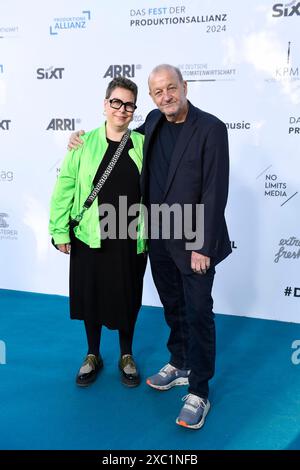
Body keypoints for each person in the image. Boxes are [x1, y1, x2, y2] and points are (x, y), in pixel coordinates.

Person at [68, 64, 231, 429]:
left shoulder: (211, 128)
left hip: (194, 241)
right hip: (159, 238)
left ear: (184, 86)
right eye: (157, 92)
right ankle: (180, 362)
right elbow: (118, 136)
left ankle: (199, 391)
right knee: (173, 305)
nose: (165, 97)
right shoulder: (153, 123)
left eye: (171, 88)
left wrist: (203, 245)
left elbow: (215, 191)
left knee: (199, 312)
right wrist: (79, 139)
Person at [49, 77, 147, 389]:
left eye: (129, 104)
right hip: (89, 234)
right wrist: (59, 230)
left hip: (130, 235)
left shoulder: (143, 144)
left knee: (127, 296)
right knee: (90, 295)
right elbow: (64, 187)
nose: (122, 109)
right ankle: (93, 354)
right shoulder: (83, 143)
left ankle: (126, 354)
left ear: (134, 110)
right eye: (116, 102)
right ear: (105, 105)